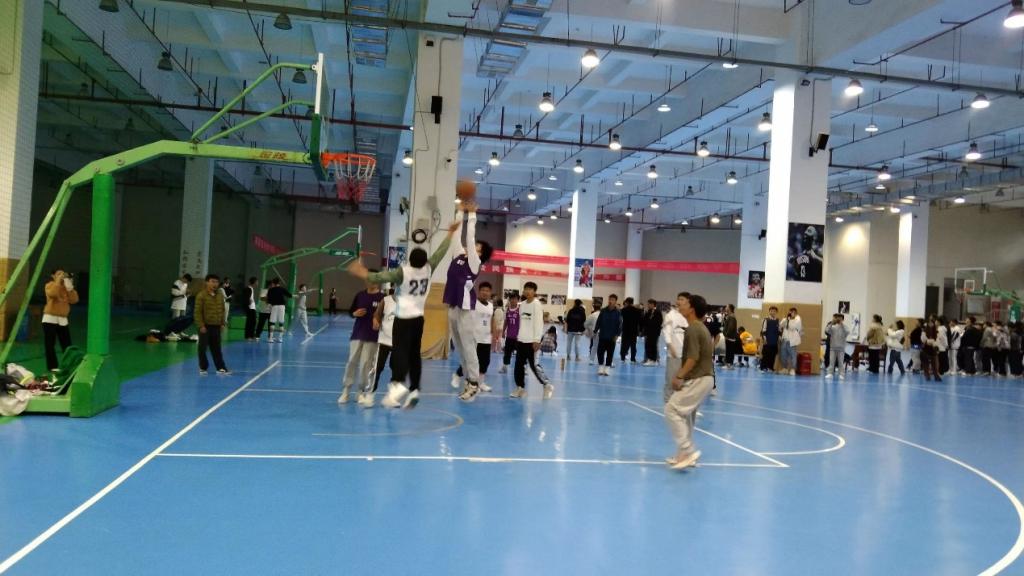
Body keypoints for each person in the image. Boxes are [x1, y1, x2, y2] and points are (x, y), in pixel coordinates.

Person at [349, 219, 459, 409]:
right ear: (424, 261)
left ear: (410, 260)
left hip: (403, 319)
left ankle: (398, 386)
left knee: (399, 352)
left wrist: (361, 272)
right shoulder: (428, 268)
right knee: (414, 354)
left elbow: (380, 277)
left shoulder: (403, 272)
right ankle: (414, 388)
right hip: (419, 319)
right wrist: (450, 233)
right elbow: (440, 252)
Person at [443, 201, 494, 402]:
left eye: (477, 248)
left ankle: (474, 382)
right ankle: (468, 381)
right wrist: (459, 212)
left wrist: (471, 215)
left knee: (468, 346)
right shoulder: (458, 256)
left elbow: (469, 238)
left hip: (465, 307)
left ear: (479, 253)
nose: (472, 247)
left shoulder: (474, 262)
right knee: (460, 348)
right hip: (453, 305)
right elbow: (457, 237)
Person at [664, 293, 715, 471]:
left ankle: (688, 450)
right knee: (686, 416)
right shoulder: (699, 327)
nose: (681, 304)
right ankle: (683, 456)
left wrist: (679, 376)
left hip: (699, 379)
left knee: (671, 409)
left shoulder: (693, 329)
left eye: (685, 303)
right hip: (703, 378)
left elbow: (693, 358)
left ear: (692, 309)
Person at [339, 278, 384, 404]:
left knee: (366, 364)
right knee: (351, 362)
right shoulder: (360, 295)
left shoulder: (383, 298)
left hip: (373, 336)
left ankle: (360, 392)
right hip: (357, 334)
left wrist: (378, 321)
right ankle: (346, 391)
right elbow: (351, 312)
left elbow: (387, 316)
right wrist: (355, 313)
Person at [510, 282, 554, 399]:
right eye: (526, 289)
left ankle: (547, 385)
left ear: (534, 292)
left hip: (532, 342)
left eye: (530, 289)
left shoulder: (537, 304)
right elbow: (522, 322)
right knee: (518, 366)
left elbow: (539, 323)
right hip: (521, 340)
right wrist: (518, 337)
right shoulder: (522, 305)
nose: (528, 291)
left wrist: (537, 340)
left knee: (534, 366)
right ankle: (520, 388)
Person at [454, 282, 496, 401]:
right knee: (471, 362)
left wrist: (493, 335)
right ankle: (461, 378)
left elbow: (491, 319)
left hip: (486, 338)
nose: (485, 292)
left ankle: (480, 383)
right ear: (479, 291)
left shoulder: (491, 305)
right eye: (483, 290)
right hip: (474, 338)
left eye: (487, 291)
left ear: (490, 292)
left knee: (485, 362)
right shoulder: (473, 303)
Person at [363, 288, 397, 408]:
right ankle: (370, 395)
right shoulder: (386, 300)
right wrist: (375, 321)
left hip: (399, 343)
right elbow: (376, 315)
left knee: (397, 370)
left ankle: (391, 397)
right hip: (384, 341)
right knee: (377, 368)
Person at [42, 269, 79, 372]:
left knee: (67, 345)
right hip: (50, 319)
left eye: (63, 274)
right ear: (53, 276)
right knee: (50, 345)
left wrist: (70, 287)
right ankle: (52, 367)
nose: (62, 276)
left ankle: (69, 365)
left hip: (63, 320)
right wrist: (58, 281)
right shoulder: (49, 285)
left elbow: (74, 300)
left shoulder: (65, 287)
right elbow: (53, 294)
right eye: (58, 274)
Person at [194, 274, 231, 376]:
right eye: (212, 281)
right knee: (202, 348)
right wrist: (201, 325)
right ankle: (203, 367)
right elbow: (197, 312)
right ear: (207, 282)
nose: (215, 284)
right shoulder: (201, 295)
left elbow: (222, 310)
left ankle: (221, 367)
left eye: (216, 282)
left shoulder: (220, 295)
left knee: (217, 348)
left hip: (217, 326)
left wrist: (222, 323)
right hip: (205, 326)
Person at [661, 293, 689, 403]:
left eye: (682, 299)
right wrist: (670, 346)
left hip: (688, 355)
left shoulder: (689, 316)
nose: (679, 301)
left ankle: (684, 405)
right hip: (674, 354)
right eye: (678, 299)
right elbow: (666, 332)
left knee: (686, 382)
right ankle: (668, 404)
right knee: (671, 380)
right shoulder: (670, 315)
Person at [595, 294, 622, 376]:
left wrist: (617, 335)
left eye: (612, 300)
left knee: (610, 353)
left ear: (615, 301)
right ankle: (600, 367)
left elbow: (620, 325)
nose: (610, 301)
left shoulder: (618, 312)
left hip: (612, 337)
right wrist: (595, 330)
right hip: (603, 335)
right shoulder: (603, 311)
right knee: (600, 352)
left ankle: (607, 368)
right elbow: (599, 321)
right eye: (609, 299)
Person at [499, 293, 520, 374]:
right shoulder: (507, 310)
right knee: (507, 352)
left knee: (521, 353)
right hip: (509, 336)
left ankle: (523, 368)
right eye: (511, 299)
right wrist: (503, 331)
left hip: (518, 336)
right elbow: (505, 322)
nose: (513, 300)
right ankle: (505, 367)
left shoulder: (520, 309)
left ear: (518, 300)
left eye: (515, 299)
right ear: (509, 300)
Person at [265, 278, 292, 343]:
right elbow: (290, 295)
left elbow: (268, 300)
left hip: (274, 306)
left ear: (273, 283)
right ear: (278, 282)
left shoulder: (270, 290)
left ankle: (270, 338)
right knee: (281, 323)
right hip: (282, 307)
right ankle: (280, 339)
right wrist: (295, 296)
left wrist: (268, 306)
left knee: (272, 323)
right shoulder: (282, 289)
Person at [779, 307, 802, 375]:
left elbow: (792, 327)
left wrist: (789, 320)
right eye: (791, 312)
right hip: (785, 339)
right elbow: (780, 326)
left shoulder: (798, 319)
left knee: (793, 355)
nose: (792, 313)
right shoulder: (786, 319)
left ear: (796, 313)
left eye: (794, 312)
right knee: (783, 355)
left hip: (792, 341)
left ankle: (793, 369)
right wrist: (786, 319)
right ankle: (785, 368)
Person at [825, 313, 849, 379]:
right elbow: (827, 330)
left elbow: (847, 332)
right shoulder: (833, 327)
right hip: (833, 347)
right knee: (831, 361)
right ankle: (830, 373)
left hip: (841, 348)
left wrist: (842, 324)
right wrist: (832, 323)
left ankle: (841, 374)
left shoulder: (844, 327)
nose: (838, 319)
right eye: (837, 318)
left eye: (840, 318)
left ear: (842, 319)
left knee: (841, 362)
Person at [619, 297, 641, 364]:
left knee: (624, 344)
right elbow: (639, 321)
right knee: (633, 345)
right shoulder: (637, 311)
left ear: (627, 302)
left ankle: (622, 358)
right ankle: (632, 359)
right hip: (634, 330)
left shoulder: (623, 310)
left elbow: (620, 318)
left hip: (625, 329)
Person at [642, 299, 663, 366]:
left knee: (653, 345)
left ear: (653, 304)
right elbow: (644, 321)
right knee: (648, 345)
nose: (648, 305)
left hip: (654, 332)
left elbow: (659, 322)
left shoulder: (657, 312)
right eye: (648, 304)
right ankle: (649, 359)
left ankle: (653, 360)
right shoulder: (648, 312)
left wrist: (650, 322)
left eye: (649, 304)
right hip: (648, 332)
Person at [760, 306, 781, 372]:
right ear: (769, 311)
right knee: (766, 355)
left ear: (776, 312)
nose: (773, 312)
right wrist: (764, 339)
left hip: (774, 342)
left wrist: (779, 338)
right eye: (771, 311)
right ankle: (763, 367)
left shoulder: (778, 321)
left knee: (773, 355)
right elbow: (763, 331)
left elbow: (779, 331)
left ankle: (770, 368)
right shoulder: (766, 320)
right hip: (767, 341)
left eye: (774, 311)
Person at [921, 318, 942, 382]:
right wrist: (929, 341)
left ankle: (936, 376)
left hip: (933, 350)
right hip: (925, 349)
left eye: (932, 323)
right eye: (929, 323)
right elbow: (923, 339)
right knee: (925, 364)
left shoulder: (936, 331)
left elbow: (938, 340)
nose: (930, 324)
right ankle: (927, 375)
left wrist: (932, 342)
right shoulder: (924, 331)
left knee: (934, 364)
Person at [721, 304, 739, 369]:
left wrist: (726, 334)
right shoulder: (729, 316)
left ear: (730, 308)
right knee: (729, 351)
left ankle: (729, 364)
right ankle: (729, 364)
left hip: (730, 337)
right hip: (729, 337)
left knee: (729, 351)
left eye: (727, 307)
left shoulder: (731, 317)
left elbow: (731, 328)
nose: (725, 308)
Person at [244, 277, 258, 341]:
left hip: (252, 307)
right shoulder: (248, 289)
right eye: (256, 282)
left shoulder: (251, 288)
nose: (257, 283)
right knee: (249, 322)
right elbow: (246, 299)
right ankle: (248, 336)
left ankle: (251, 335)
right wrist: (248, 304)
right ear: (254, 282)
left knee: (253, 322)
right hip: (250, 308)